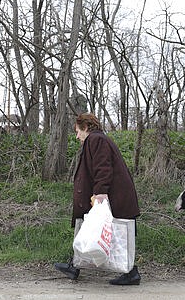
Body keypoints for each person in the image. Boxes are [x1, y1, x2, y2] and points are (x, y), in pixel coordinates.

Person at [54, 113, 141, 285]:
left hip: (113, 196)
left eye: (78, 131)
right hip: (112, 195)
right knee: (90, 229)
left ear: (85, 127)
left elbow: (103, 167)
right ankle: (75, 265)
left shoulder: (96, 140)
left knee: (115, 233)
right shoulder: (96, 139)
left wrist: (100, 192)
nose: (77, 136)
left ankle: (131, 272)